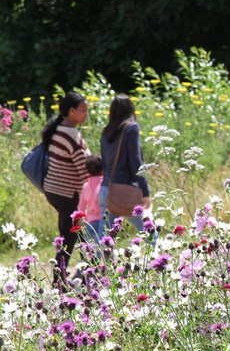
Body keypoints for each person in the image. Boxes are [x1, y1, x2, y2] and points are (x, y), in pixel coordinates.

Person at [42, 91, 90, 283]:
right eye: (83, 110)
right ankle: (66, 280)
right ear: (71, 111)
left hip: (54, 190)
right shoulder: (72, 135)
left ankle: (69, 278)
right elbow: (84, 169)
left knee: (71, 235)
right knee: (74, 237)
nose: (86, 114)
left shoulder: (58, 129)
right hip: (68, 193)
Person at [98, 94, 152, 235]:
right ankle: (155, 257)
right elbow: (136, 162)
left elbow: (104, 162)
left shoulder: (106, 131)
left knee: (104, 240)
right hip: (125, 191)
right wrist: (145, 191)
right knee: (151, 233)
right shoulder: (131, 128)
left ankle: (96, 258)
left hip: (106, 189)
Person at [77, 155, 103, 244]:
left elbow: (81, 209)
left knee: (94, 254)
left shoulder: (85, 186)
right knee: (107, 251)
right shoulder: (104, 184)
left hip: (90, 224)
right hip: (103, 221)